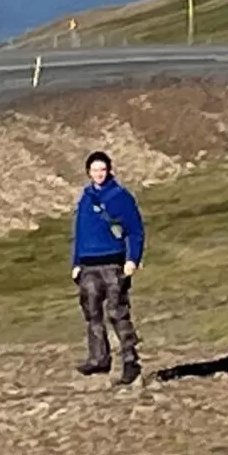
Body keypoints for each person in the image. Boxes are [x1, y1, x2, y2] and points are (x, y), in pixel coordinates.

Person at [71, 151, 145, 385]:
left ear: (109, 170)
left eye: (102, 169)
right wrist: (75, 263)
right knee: (92, 311)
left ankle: (130, 361)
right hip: (88, 265)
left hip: (114, 263)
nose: (99, 174)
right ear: (88, 172)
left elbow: (135, 229)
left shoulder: (120, 197)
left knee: (117, 312)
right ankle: (98, 358)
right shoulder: (85, 198)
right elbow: (79, 233)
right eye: (94, 170)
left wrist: (132, 258)